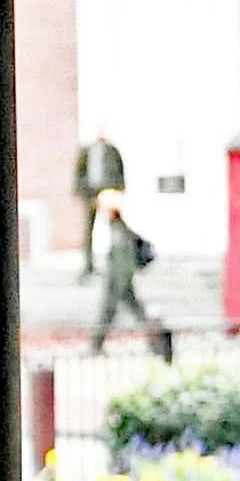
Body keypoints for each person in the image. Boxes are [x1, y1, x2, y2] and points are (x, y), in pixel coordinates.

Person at [89, 188, 167, 356]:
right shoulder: (117, 226)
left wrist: (120, 281)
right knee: (134, 312)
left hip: (118, 279)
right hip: (120, 278)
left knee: (111, 312)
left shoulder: (118, 228)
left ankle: (157, 343)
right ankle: (156, 343)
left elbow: (122, 259)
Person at [74, 132, 126, 277]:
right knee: (88, 230)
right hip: (90, 193)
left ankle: (117, 261)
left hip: (107, 191)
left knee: (115, 227)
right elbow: (79, 171)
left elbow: (120, 170)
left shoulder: (111, 150)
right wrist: (80, 190)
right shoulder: (86, 151)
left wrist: (120, 189)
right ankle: (88, 264)